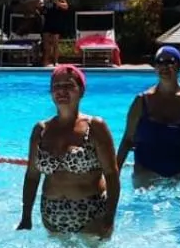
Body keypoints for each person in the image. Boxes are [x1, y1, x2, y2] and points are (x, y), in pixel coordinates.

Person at [18, 64, 120, 236]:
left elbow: (111, 174)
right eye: (56, 86)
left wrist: (110, 216)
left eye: (68, 85)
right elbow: (32, 176)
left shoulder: (95, 127)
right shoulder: (41, 130)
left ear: (81, 91)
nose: (61, 91)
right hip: (51, 214)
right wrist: (26, 216)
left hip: (91, 213)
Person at [115, 45, 180, 184]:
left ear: (179, 66)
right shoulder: (142, 101)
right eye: (159, 62)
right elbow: (127, 140)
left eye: (170, 62)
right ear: (155, 67)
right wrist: (115, 173)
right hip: (146, 174)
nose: (164, 66)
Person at [38, 0, 72, 66]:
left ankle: (56, 61)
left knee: (55, 43)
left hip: (56, 21)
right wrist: (40, 7)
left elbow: (66, 6)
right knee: (46, 44)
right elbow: (41, 11)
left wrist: (58, 3)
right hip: (47, 21)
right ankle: (46, 61)